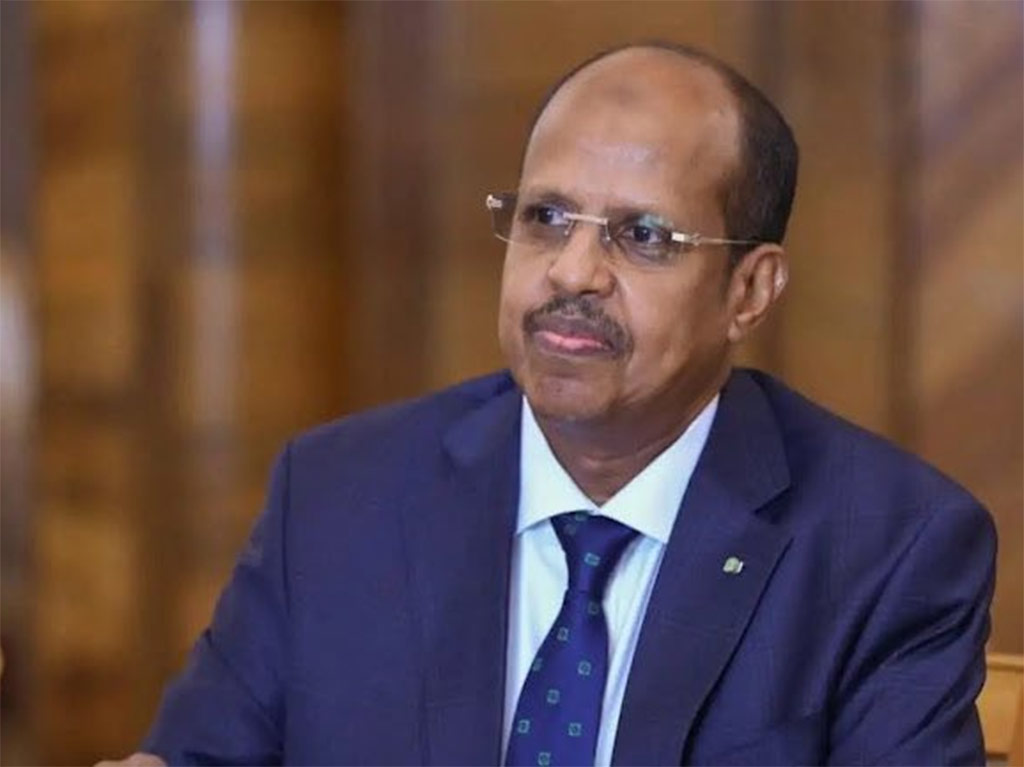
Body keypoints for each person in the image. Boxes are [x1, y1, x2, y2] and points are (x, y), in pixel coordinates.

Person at [110, 42, 995, 766]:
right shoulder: (339, 495)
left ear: (749, 291)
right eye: (546, 218)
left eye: (642, 235)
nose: (572, 273)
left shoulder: (890, 548)